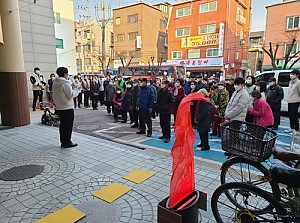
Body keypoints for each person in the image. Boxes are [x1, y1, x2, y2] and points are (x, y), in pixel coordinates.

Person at [52, 67, 80, 148]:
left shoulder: (55, 83)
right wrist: (77, 90)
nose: (67, 75)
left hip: (59, 107)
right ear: (64, 74)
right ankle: (67, 141)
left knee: (63, 125)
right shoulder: (65, 83)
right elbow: (71, 95)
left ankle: (63, 141)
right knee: (68, 125)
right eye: (67, 73)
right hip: (67, 107)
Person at [285, 69, 300, 134]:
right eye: (291, 74)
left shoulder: (298, 83)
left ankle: (296, 129)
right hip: (290, 101)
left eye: (293, 74)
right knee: (290, 115)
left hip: (295, 101)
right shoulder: (290, 82)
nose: (291, 75)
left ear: (297, 75)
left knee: (294, 115)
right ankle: (292, 128)